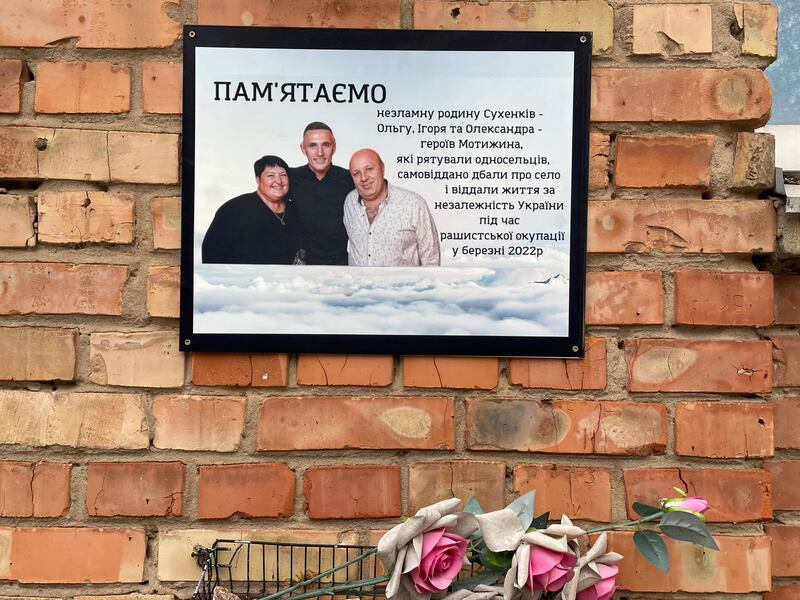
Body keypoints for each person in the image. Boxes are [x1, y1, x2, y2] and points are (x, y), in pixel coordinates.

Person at [343, 149, 441, 267]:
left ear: (382, 168)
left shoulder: (413, 204)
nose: (363, 178)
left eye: (369, 169)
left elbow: (431, 260)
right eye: (356, 173)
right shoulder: (350, 202)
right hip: (358, 285)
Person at [202, 155, 305, 264]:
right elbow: (211, 254)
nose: (278, 181)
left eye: (283, 175)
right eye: (271, 175)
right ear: (258, 179)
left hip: (288, 279)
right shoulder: (234, 210)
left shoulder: (297, 210)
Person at [289, 122, 353, 265]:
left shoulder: (350, 179)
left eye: (326, 145)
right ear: (303, 148)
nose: (320, 153)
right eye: (313, 145)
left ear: (334, 146)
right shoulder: (290, 177)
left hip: (341, 265)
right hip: (300, 266)